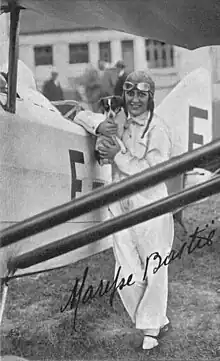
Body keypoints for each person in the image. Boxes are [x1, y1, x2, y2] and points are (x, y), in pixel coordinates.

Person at [74, 70, 174, 352]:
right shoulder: (117, 118)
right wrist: (99, 128)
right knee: (125, 272)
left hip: (150, 202)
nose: (135, 99)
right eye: (130, 92)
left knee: (155, 267)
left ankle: (151, 329)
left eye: (141, 93)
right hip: (119, 202)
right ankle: (154, 321)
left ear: (150, 97)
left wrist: (117, 154)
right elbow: (79, 115)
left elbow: (150, 172)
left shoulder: (159, 130)